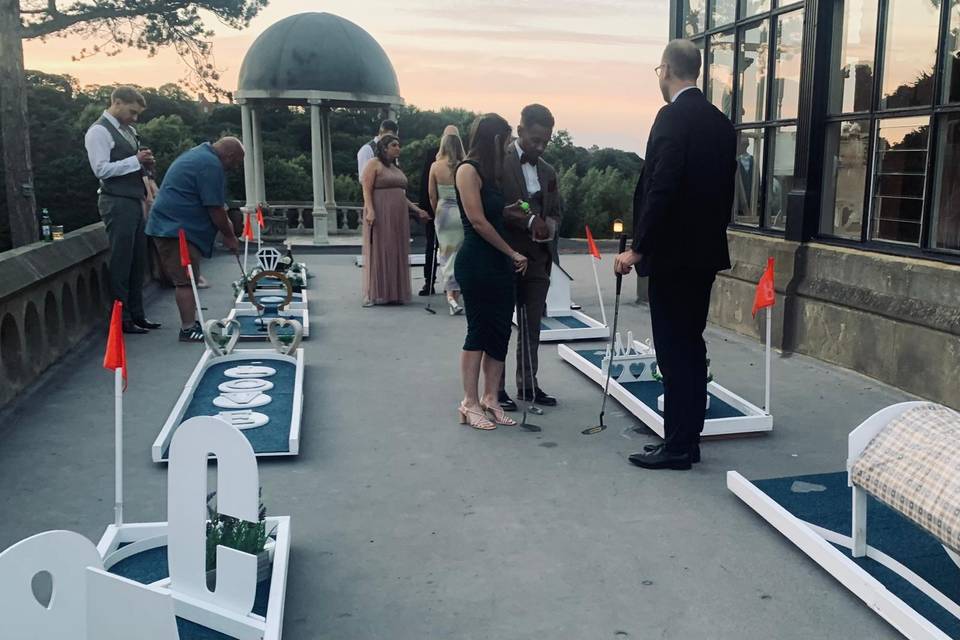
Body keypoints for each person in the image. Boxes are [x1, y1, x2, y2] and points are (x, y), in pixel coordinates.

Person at [614, 40, 737, 470]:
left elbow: (661, 187)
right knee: (691, 345)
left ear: (666, 70)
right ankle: (687, 440)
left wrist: (638, 247)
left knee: (673, 351)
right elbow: (725, 195)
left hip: (670, 257)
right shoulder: (721, 124)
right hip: (703, 256)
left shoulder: (671, 117)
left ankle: (679, 446)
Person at [455, 114, 529, 430]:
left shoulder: (490, 173)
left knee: (500, 331)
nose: (509, 147)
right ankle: (468, 402)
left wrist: (512, 210)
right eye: (507, 141)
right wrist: (511, 251)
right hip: (477, 260)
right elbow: (478, 221)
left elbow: (493, 213)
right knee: (479, 331)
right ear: (495, 139)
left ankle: (490, 398)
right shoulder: (467, 170)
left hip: (498, 263)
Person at [145, 137, 244, 341]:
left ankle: (191, 324)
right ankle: (188, 329)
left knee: (188, 277)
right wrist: (229, 236)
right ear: (229, 155)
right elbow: (214, 208)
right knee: (185, 281)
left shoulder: (201, 155)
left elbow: (216, 205)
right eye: (236, 163)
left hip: (171, 226)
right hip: (174, 229)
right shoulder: (210, 165)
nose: (234, 168)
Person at [497, 104, 562, 411]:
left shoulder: (549, 171)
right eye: (535, 139)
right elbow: (508, 204)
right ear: (520, 130)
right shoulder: (500, 164)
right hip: (506, 254)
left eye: (545, 141)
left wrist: (549, 226)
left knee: (531, 325)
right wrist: (528, 217)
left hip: (539, 257)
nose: (540, 146)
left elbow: (555, 209)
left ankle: (528, 385)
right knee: (499, 324)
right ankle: (494, 389)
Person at [84, 86, 160, 334]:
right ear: (116, 103)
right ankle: (122, 318)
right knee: (121, 261)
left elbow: (128, 165)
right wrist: (134, 161)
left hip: (133, 199)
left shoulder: (128, 130)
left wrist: (144, 164)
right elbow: (101, 170)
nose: (134, 118)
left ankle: (137, 314)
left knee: (137, 260)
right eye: (132, 112)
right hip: (116, 201)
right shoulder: (98, 132)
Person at [360, 135, 430, 306]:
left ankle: (394, 291)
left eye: (399, 144)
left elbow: (400, 194)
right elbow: (366, 189)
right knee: (380, 249)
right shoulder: (373, 164)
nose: (398, 148)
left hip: (398, 214)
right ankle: (373, 292)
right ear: (384, 148)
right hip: (380, 211)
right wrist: (370, 210)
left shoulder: (395, 167)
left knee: (395, 249)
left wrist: (416, 209)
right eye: (394, 145)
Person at [429, 126, 467, 315]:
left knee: (446, 255)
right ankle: (455, 297)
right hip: (460, 213)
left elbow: (431, 195)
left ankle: (451, 297)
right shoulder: (463, 164)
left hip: (443, 212)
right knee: (459, 255)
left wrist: (437, 210)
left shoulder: (436, 166)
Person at [417, 145, 438, 296]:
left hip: (451, 211)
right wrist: (425, 210)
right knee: (431, 246)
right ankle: (428, 281)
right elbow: (425, 185)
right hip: (433, 210)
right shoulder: (432, 155)